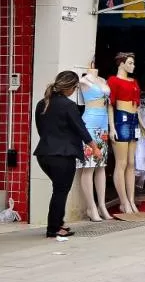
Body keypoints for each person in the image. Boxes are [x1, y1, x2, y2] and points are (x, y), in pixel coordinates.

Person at [34, 71, 98, 239]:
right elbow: (80, 129)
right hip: (62, 155)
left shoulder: (42, 103)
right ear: (69, 87)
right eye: (75, 88)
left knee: (59, 190)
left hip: (44, 155)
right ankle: (54, 228)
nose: (75, 91)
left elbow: (41, 129)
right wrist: (95, 148)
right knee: (61, 191)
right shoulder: (68, 105)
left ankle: (58, 224)